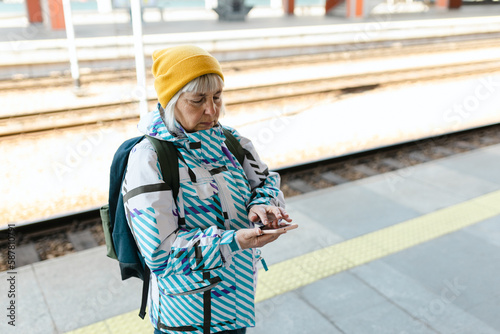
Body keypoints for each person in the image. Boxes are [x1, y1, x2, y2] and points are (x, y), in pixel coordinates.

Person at [122, 45, 292, 334]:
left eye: (217, 97)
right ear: (172, 100)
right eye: (197, 100)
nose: (212, 110)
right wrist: (235, 240)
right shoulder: (149, 159)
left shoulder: (231, 141)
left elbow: (266, 182)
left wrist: (263, 205)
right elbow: (160, 253)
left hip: (236, 304)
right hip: (187, 319)